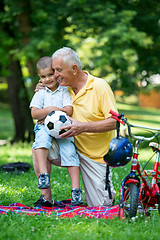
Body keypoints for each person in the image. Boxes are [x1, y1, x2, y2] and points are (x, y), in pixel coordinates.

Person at [33, 47, 117, 207]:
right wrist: (41, 90)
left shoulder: (99, 86)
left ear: (74, 69)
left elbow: (114, 122)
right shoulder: (60, 87)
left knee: (101, 205)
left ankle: (104, 190)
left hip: (94, 157)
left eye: (58, 70)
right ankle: (46, 198)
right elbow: (41, 107)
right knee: (39, 144)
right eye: (53, 71)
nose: (55, 75)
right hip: (67, 145)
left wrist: (82, 127)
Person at [30, 56, 83, 206]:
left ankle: (76, 191)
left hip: (62, 129)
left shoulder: (64, 91)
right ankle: (43, 175)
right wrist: (48, 110)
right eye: (42, 76)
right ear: (39, 78)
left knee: (70, 153)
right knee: (41, 141)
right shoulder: (40, 93)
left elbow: (69, 110)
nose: (47, 79)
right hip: (43, 127)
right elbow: (34, 114)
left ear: (56, 73)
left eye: (50, 74)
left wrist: (58, 111)